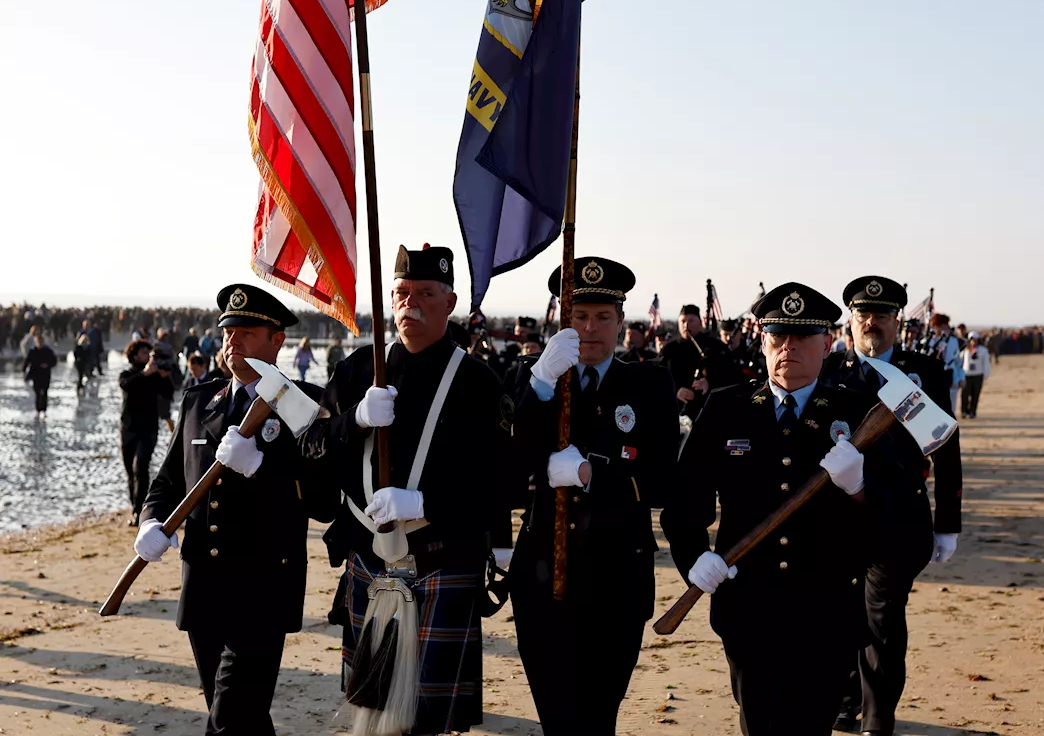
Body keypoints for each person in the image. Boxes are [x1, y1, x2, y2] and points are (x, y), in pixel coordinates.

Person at [663, 282, 891, 736]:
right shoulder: (727, 408)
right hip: (748, 606)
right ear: (763, 340)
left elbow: (900, 516)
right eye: (777, 335)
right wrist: (695, 558)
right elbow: (684, 501)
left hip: (825, 609)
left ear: (828, 343)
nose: (788, 347)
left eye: (803, 336)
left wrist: (861, 487)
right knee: (759, 724)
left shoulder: (860, 412)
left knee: (810, 725)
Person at [305, 245, 512, 735]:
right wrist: (353, 421)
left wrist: (426, 502)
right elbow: (313, 451)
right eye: (400, 293)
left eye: (425, 293)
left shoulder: (477, 381)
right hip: (368, 556)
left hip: (444, 553)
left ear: (450, 301)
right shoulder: (357, 371)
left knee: (426, 719)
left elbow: (497, 479)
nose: (409, 304)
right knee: (371, 706)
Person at [137, 283, 333, 734]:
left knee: (227, 719)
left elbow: (325, 501)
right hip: (205, 586)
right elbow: (167, 483)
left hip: (263, 588)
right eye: (228, 331)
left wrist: (262, 469)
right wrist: (150, 523)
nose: (233, 341)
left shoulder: (305, 407)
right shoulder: (200, 401)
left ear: (277, 340)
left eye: (246, 331)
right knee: (242, 719)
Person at [508, 256, 680, 735]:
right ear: (562, 320)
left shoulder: (648, 383)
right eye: (579, 316)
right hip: (543, 575)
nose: (590, 328)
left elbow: (664, 479)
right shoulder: (532, 377)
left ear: (622, 323)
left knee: (597, 717)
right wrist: (539, 386)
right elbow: (507, 467)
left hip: (617, 577)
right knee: (555, 718)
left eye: (603, 317)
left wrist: (590, 476)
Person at [822, 277, 963, 736]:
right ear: (850, 319)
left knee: (882, 619)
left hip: (900, 516)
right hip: (839, 519)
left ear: (897, 320)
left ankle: (878, 719)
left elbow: (946, 448)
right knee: (842, 613)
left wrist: (948, 523)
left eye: (881, 316)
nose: (871, 323)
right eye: (863, 315)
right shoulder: (828, 371)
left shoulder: (923, 373)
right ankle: (844, 702)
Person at [118, 340, 174, 524]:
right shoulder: (129, 374)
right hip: (128, 429)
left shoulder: (156, 376)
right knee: (129, 471)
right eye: (144, 352)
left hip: (148, 429)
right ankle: (134, 505)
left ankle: (139, 510)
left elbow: (168, 394)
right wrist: (145, 373)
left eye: (149, 353)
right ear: (135, 355)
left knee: (140, 467)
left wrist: (164, 376)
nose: (148, 355)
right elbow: (126, 385)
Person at [659, 303, 731, 419]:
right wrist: (676, 391)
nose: (686, 325)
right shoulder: (669, 350)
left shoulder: (715, 347)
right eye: (682, 321)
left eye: (691, 321)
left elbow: (729, 375)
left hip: (710, 413)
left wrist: (710, 383)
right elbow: (658, 380)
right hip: (677, 414)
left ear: (700, 322)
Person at [22, 334, 57, 419]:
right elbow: (27, 361)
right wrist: (23, 371)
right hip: (36, 374)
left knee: (44, 392)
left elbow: (54, 361)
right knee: (37, 392)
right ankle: (38, 409)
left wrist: (47, 365)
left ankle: (43, 410)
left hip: (45, 374)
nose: (40, 344)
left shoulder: (48, 351)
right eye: (38, 342)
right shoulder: (33, 351)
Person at [960, 333, 991, 418]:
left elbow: (986, 363)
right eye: (972, 340)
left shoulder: (983, 350)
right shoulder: (965, 350)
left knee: (975, 394)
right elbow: (960, 362)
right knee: (965, 394)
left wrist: (986, 374)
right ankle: (964, 411)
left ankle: (972, 412)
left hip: (978, 375)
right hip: (966, 374)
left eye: (975, 340)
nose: (974, 342)